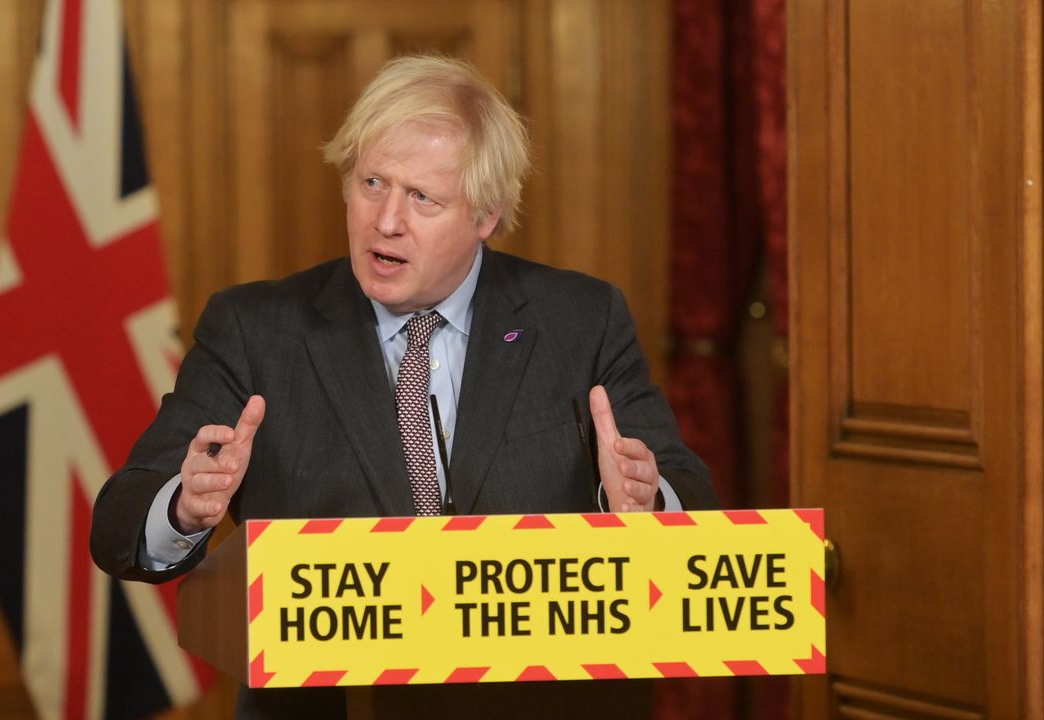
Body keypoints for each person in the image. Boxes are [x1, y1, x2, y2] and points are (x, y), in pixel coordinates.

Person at [92, 54, 717, 719]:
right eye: (371, 182)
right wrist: (186, 508)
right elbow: (119, 521)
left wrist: (651, 511)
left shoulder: (582, 321)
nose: (385, 221)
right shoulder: (254, 329)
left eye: (422, 198)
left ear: (486, 215)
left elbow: (696, 508)